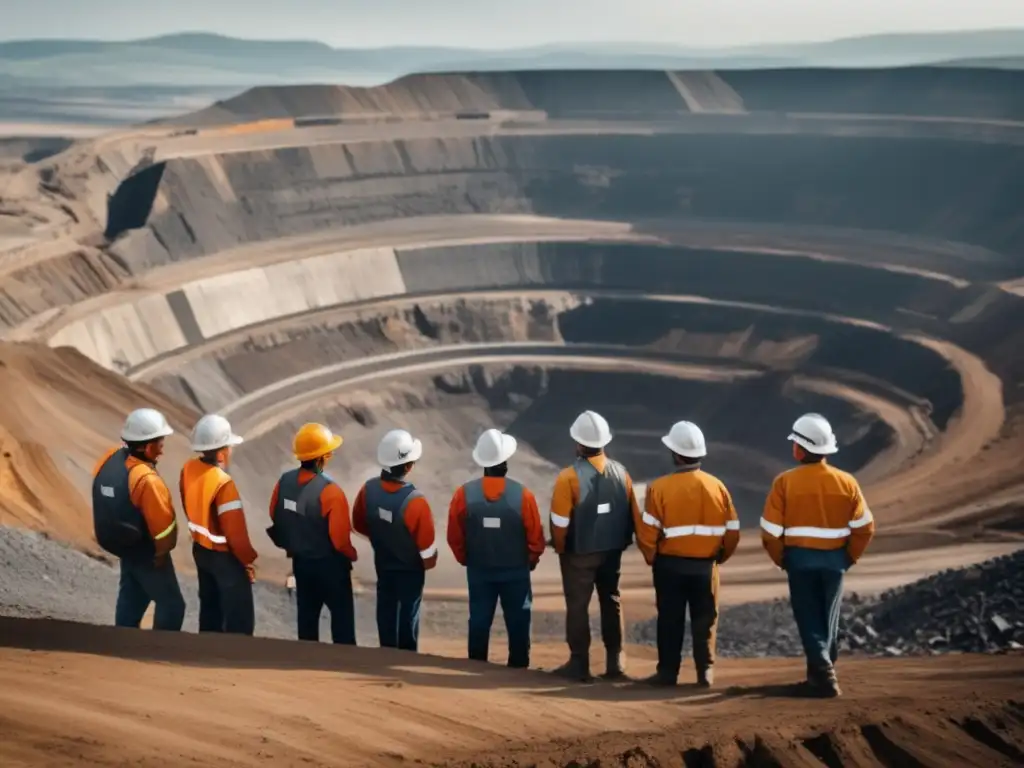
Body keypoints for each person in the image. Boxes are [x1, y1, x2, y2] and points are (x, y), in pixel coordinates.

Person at [761, 413, 876, 698]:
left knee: (809, 618)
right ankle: (818, 675)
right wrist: (848, 557)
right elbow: (866, 527)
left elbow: (769, 532)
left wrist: (782, 559)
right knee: (829, 618)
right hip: (834, 561)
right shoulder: (847, 482)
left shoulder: (785, 483)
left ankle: (824, 672)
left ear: (800, 448)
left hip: (800, 561)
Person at [636, 421, 740, 688]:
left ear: (675, 453)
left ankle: (668, 673)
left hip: (669, 566)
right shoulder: (718, 487)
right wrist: (718, 558)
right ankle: (705, 672)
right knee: (705, 620)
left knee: (670, 620)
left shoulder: (659, 488)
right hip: (706, 567)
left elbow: (647, 534)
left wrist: (654, 558)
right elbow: (732, 532)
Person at [549, 410, 641, 682]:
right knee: (611, 600)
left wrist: (561, 547)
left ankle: (579, 664)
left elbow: (559, 522)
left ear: (578, 443)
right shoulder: (622, 473)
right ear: (605, 442)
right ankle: (616, 663)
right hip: (612, 551)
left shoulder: (568, 477)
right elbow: (633, 514)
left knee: (578, 605)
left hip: (579, 552)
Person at [447, 428, 546, 668]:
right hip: (516, 571)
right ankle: (519, 669)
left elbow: (454, 535)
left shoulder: (463, 495)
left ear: (482, 462)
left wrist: (465, 558)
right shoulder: (523, 496)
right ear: (506, 462)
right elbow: (536, 537)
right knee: (519, 621)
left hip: (479, 570)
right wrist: (531, 558)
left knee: (479, 620)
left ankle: (476, 665)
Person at [92, 408, 185, 631]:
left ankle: (123, 643)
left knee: (132, 598)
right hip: (147, 552)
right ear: (145, 445)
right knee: (172, 605)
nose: (162, 451)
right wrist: (162, 553)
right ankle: (160, 652)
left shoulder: (109, 458)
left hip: (124, 544)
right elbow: (164, 528)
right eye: (159, 444)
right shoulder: (147, 480)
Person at [267, 423, 358, 644]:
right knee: (342, 624)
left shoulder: (284, 482)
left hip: (301, 564)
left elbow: (274, 513)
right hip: (331, 568)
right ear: (322, 457)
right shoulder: (331, 493)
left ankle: (307, 662)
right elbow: (339, 539)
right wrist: (351, 554)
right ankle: (344, 666)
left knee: (307, 623)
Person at [353, 429, 437, 651]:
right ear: (408, 466)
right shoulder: (416, 502)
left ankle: (387, 652)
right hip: (410, 570)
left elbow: (359, 523)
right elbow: (427, 549)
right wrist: (426, 563)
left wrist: (383, 537)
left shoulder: (368, 490)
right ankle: (405, 657)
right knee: (409, 612)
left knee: (386, 609)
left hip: (383, 563)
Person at [180, 414, 258, 635]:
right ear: (222, 452)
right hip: (224, 557)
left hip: (200, 550)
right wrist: (247, 561)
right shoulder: (223, 484)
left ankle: (207, 653)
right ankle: (235, 661)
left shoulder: (189, 469)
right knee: (238, 617)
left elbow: (187, 503)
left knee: (210, 609)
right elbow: (235, 532)